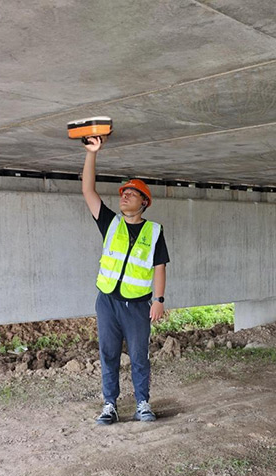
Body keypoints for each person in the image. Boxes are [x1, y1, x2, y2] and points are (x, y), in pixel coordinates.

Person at [81, 135, 170, 424]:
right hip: (107, 302)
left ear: (145, 202)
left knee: (139, 356)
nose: (125, 195)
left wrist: (158, 300)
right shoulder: (111, 223)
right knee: (108, 355)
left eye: (132, 193)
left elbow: (159, 266)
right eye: (123, 192)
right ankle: (110, 405)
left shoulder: (154, 232)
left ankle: (143, 402)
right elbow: (88, 190)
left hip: (137, 306)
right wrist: (92, 153)